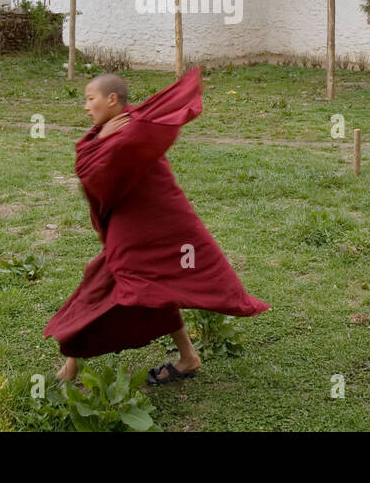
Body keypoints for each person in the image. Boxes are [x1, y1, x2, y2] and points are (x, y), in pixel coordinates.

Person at [45, 66, 269, 385]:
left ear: (111, 99)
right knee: (145, 287)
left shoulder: (133, 129)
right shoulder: (111, 130)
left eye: (90, 98)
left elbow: (93, 171)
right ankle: (187, 357)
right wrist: (104, 140)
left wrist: (107, 141)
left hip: (153, 225)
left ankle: (72, 362)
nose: (85, 105)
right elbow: (87, 166)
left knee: (110, 283)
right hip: (136, 227)